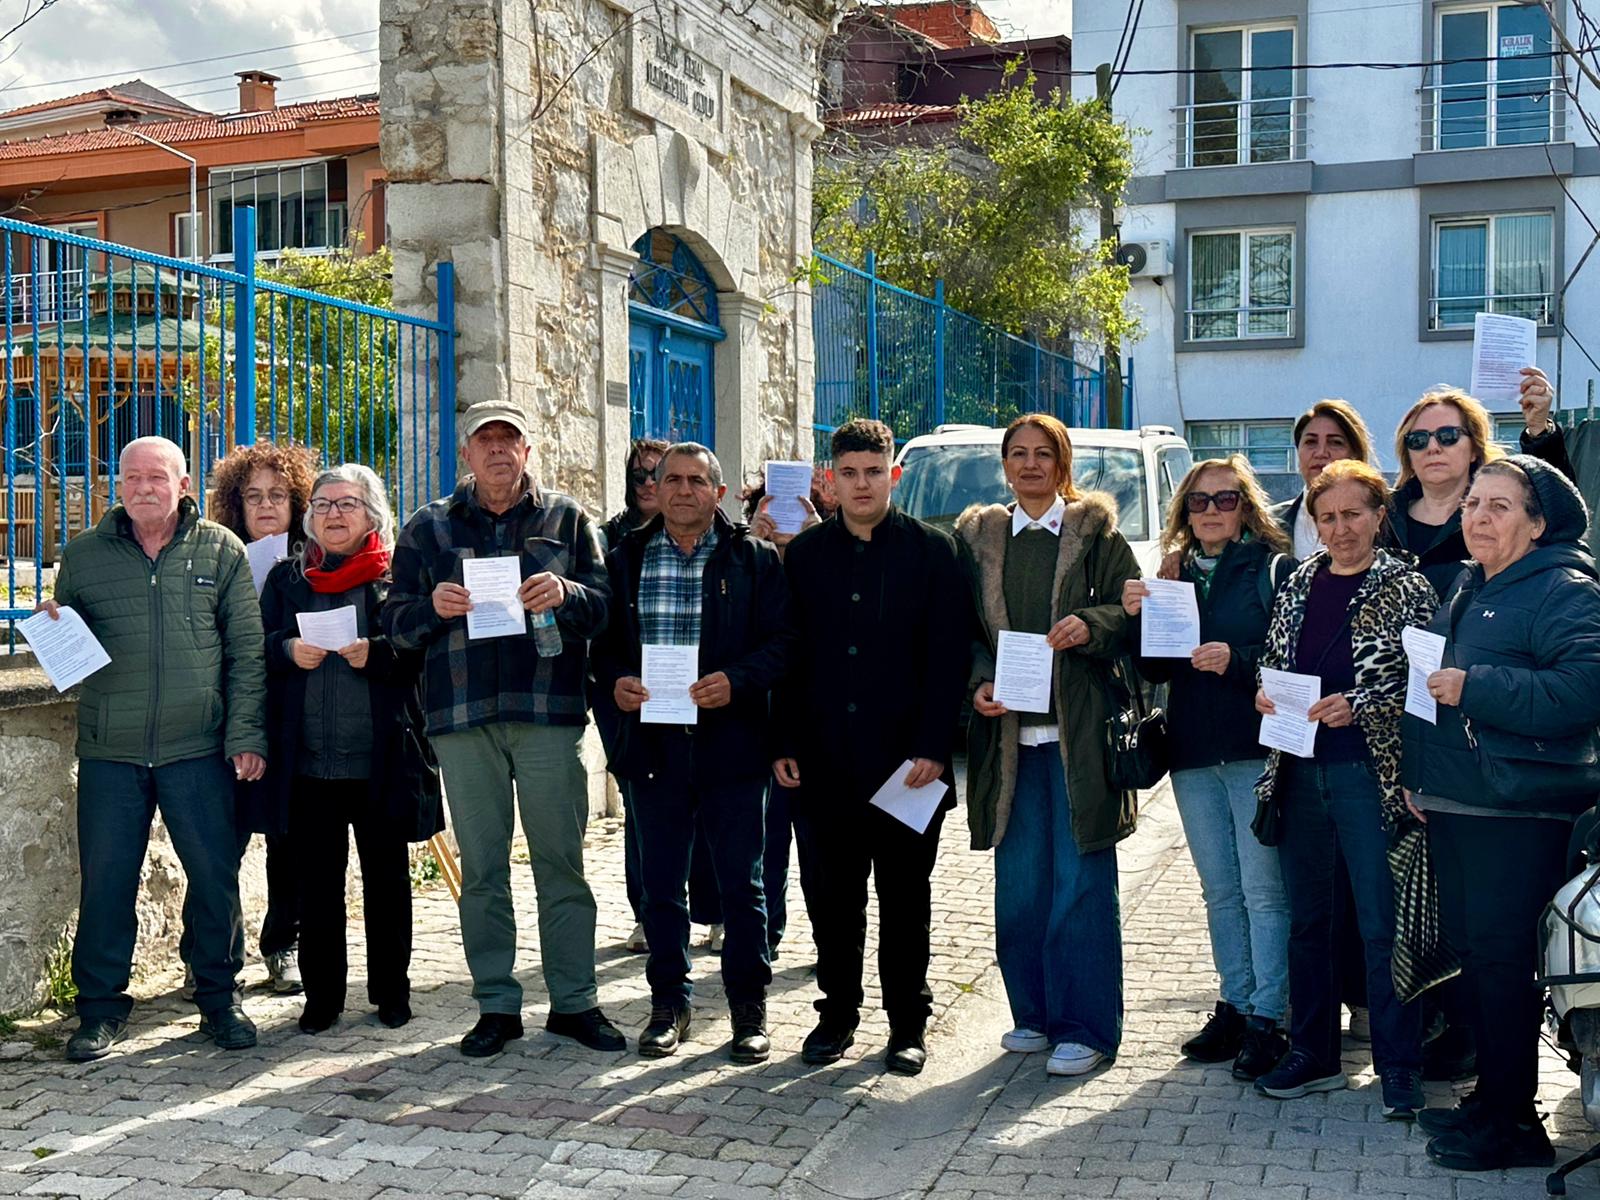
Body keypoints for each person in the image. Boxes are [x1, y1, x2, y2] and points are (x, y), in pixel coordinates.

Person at [383, 400, 624, 1058]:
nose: (496, 451)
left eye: (508, 441)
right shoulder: (427, 526)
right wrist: (430, 607)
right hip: (463, 720)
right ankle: (496, 1004)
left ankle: (575, 1001)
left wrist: (567, 595)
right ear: (466, 454)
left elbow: (606, 610)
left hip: (547, 714)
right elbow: (394, 623)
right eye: (484, 441)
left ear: (527, 451)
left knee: (561, 864)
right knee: (484, 870)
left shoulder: (567, 519)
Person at [1401, 456, 1600, 1171]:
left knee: (1504, 965)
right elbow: (1429, 692)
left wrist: (1477, 684)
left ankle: (1516, 1124)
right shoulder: (1466, 584)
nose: (1477, 518)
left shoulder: (1563, 588)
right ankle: (1493, 1100)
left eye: (1498, 507)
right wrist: (1416, 778)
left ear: (1539, 522)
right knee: (1481, 964)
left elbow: (1584, 690)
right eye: (1472, 504)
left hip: (1519, 812)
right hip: (1459, 803)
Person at [43, 437, 267, 1060]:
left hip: (197, 747)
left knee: (215, 878)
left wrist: (245, 736)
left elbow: (247, 653)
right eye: (132, 477)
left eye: (156, 478)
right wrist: (52, 625)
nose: (143, 488)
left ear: (184, 483)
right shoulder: (85, 554)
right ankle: (100, 1011)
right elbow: (72, 650)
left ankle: (220, 1000)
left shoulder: (221, 549)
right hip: (112, 747)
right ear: (118, 484)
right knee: (108, 881)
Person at [773, 419, 972, 1075]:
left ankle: (906, 1026)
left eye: (874, 471)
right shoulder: (802, 557)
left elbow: (948, 659)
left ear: (895, 475)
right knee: (832, 901)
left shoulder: (934, 551)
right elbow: (789, 656)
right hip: (824, 765)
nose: (862, 484)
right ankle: (836, 1017)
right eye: (849, 473)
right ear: (830, 479)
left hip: (909, 766)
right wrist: (787, 742)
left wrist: (935, 748)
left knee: (905, 900)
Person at [591, 442, 796, 1062]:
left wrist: (737, 680)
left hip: (731, 744)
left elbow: (785, 644)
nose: (683, 490)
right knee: (661, 886)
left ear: (720, 493)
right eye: (670, 479)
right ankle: (669, 1003)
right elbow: (600, 647)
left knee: (743, 885)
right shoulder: (624, 560)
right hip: (653, 746)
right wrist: (617, 682)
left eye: (696, 481)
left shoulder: (754, 560)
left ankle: (748, 1009)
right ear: (654, 488)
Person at [1250, 459, 1437, 1118]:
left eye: (1353, 514)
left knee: (1383, 927)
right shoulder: (1299, 581)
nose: (1341, 528)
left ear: (1378, 516)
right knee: (1310, 923)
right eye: (1327, 517)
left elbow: (1427, 689)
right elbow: (1271, 665)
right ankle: (1314, 1054)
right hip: (1300, 773)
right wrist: (1266, 696)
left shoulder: (1406, 586)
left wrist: (1361, 702)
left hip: (1371, 777)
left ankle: (1399, 1067)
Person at [957, 413, 1139, 1078]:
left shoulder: (1095, 534)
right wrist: (980, 683)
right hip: (1011, 745)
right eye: (1018, 454)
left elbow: (1132, 611)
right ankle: (1032, 1015)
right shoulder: (981, 537)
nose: (1030, 465)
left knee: (1082, 885)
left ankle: (1086, 1028)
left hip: (1078, 742)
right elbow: (968, 631)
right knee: (1022, 889)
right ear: (1004, 464)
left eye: (1044, 454)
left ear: (1063, 463)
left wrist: (1090, 625)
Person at [1122, 456, 1292, 1081]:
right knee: (1220, 892)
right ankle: (1237, 1004)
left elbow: (1295, 655)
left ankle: (1271, 1016)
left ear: (1245, 506)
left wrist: (1239, 659)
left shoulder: (1273, 570)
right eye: (1199, 502)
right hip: (1193, 754)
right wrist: (1140, 616)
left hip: (1254, 749)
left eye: (1225, 500)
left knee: (1264, 892)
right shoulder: (1173, 576)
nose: (1212, 511)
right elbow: (1155, 672)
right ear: (1184, 513)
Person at [260, 464, 444, 1035]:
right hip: (309, 761)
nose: (333, 514)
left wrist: (381, 654)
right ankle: (322, 997)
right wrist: (288, 648)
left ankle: (392, 991)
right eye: (322, 505)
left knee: (387, 883)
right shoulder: (288, 580)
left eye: (347, 504)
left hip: (381, 760)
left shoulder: (396, 580)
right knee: (317, 886)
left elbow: (422, 653)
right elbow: (258, 648)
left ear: (373, 515)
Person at [193, 441, 318, 997]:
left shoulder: (317, 558)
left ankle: (282, 943)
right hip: (225, 714)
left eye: (278, 495)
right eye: (253, 496)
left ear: (297, 501)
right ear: (234, 504)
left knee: (289, 838)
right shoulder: (213, 557)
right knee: (218, 836)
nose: (266, 506)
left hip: (294, 715)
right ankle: (206, 949)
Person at [594, 437, 719, 956]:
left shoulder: (734, 551)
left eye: (660, 474)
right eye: (645, 476)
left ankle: (712, 914)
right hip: (640, 714)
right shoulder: (614, 546)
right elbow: (600, 636)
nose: (653, 484)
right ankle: (649, 914)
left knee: (712, 822)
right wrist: (615, 681)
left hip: (712, 714)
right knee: (643, 821)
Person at [745, 475, 824, 962]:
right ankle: (765, 938)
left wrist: (809, 547)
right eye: (769, 513)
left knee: (821, 851)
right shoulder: (745, 564)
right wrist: (754, 547)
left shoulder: (823, 559)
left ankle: (828, 940)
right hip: (758, 724)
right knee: (766, 843)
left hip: (814, 727)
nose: (780, 525)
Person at [1386, 388, 1502, 598]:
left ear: (1474, 449)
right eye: (1418, 440)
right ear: (1408, 455)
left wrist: (1540, 434)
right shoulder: (1381, 517)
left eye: (1447, 436)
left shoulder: (1496, 517)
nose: (1432, 447)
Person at [1270, 400, 1377, 559]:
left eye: (1335, 442)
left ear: (1355, 454)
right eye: (1310, 442)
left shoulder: (1392, 518)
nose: (1321, 452)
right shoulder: (1270, 525)